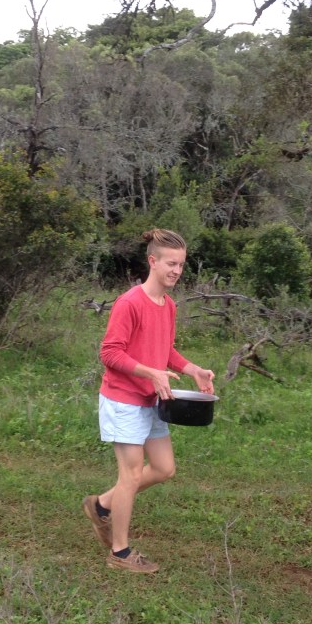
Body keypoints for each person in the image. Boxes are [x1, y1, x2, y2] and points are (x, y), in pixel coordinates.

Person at [83, 229, 215, 574]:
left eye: (181, 265)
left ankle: (102, 505)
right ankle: (120, 553)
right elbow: (110, 353)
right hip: (124, 399)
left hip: (153, 399)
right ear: (152, 261)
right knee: (129, 476)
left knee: (163, 468)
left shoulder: (168, 305)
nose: (177, 271)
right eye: (171, 264)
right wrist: (149, 373)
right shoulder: (130, 302)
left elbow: (165, 350)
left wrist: (193, 370)